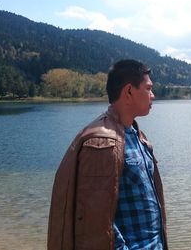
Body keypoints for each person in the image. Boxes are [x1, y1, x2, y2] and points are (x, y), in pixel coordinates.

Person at [47, 59, 167, 250]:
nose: (153, 95)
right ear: (129, 91)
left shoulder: (136, 135)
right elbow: (95, 222)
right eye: (148, 88)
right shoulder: (101, 143)